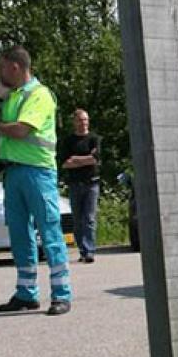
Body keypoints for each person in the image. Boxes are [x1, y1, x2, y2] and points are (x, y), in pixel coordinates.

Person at [0, 45, 71, 315]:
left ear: (14, 66)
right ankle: (26, 293)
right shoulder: (9, 95)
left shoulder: (39, 94)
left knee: (49, 231)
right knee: (19, 234)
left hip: (38, 171)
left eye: (1, 66)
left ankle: (61, 294)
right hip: (13, 172)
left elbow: (20, 130)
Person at [58, 109, 101, 263]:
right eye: (80, 120)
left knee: (89, 218)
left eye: (85, 120)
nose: (83, 123)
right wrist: (86, 159)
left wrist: (76, 159)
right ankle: (82, 250)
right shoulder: (69, 141)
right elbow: (65, 163)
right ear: (75, 122)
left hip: (92, 183)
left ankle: (90, 251)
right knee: (77, 220)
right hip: (75, 184)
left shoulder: (94, 139)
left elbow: (95, 160)